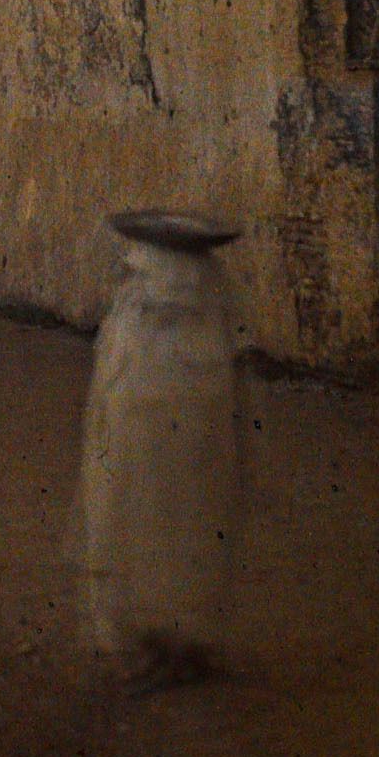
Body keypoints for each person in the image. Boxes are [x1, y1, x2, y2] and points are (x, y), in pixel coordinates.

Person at [76, 208, 243, 694]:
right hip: (131, 449)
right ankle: (154, 646)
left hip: (174, 454)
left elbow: (207, 394)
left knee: (175, 537)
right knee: (136, 534)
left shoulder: (193, 312)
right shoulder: (136, 307)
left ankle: (176, 647)